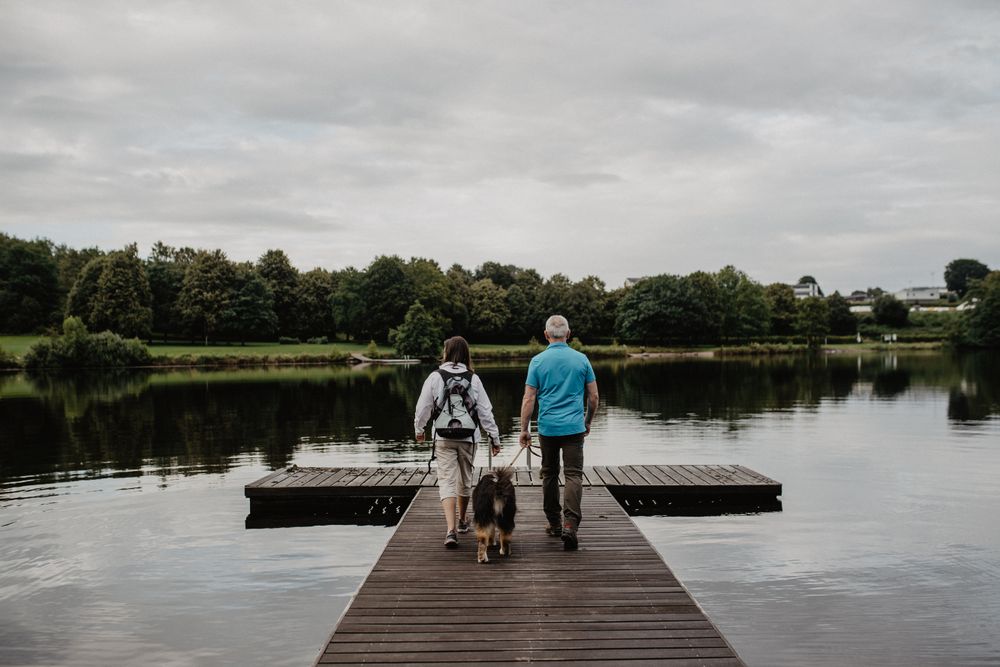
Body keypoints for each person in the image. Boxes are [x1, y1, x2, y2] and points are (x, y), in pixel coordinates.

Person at [519, 315, 598, 550]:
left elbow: (529, 398)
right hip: (574, 427)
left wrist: (524, 429)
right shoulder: (581, 359)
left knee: (550, 474)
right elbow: (593, 398)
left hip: (548, 428)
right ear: (568, 334)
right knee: (574, 474)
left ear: (546, 335)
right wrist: (587, 421)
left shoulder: (537, 361)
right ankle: (570, 525)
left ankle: (554, 523)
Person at [414, 336, 502, 548]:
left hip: (443, 438)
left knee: (446, 481)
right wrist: (494, 437)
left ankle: (451, 530)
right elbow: (485, 412)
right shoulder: (474, 378)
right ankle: (463, 521)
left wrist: (419, 429)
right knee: (465, 479)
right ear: (465, 354)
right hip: (468, 438)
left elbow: (423, 407)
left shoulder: (435, 377)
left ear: (447, 352)